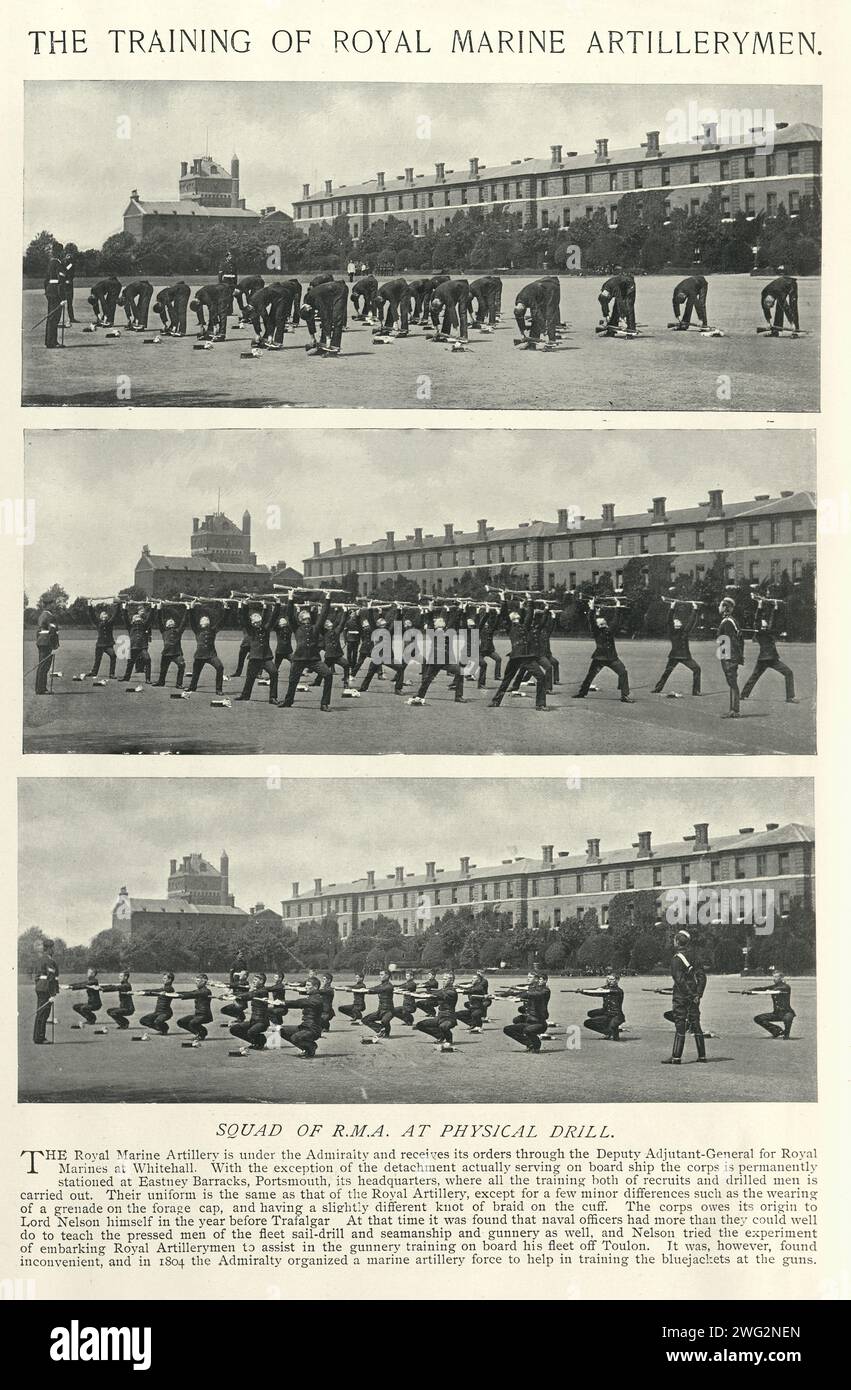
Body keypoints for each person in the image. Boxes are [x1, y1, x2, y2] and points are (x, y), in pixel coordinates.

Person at [488, 596, 550, 711]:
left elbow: (529, 616)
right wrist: (503, 599)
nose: (516, 615)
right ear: (511, 618)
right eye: (514, 615)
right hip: (516, 656)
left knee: (541, 677)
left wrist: (530, 601)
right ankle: (496, 701)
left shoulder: (524, 626)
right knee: (506, 680)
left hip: (526, 657)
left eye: (517, 614)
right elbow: (504, 614)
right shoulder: (509, 626)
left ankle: (540, 704)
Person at [277, 595, 335, 711]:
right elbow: (289, 614)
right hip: (299, 659)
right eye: (304, 619)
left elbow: (323, 615)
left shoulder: (315, 628)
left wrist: (328, 599)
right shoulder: (296, 628)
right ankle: (288, 701)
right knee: (293, 680)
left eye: (308, 619)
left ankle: (324, 704)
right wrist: (290, 598)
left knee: (328, 675)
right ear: (300, 620)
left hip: (314, 659)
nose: (307, 621)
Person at [573, 599, 634, 703]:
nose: (600, 620)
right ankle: (582, 693)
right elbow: (591, 620)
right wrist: (591, 608)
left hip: (611, 658)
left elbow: (616, 620)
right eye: (599, 620)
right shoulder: (596, 631)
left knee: (623, 672)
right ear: (601, 624)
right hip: (600, 658)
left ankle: (625, 696)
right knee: (590, 676)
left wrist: (618, 607)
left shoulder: (609, 630)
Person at [662, 931, 706, 1064]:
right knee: (695, 1023)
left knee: (680, 1024)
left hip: (681, 996)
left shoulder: (676, 959)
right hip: (694, 995)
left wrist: (690, 995)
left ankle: (676, 1057)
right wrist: (698, 994)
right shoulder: (695, 957)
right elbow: (702, 977)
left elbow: (679, 980)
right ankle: (702, 1056)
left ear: (676, 941)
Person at [741, 602, 798, 704]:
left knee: (755, 676)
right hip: (766, 659)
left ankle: (743, 695)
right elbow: (758, 620)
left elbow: (773, 621)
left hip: (767, 659)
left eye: (765, 622)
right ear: (762, 625)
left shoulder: (768, 631)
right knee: (787, 673)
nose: (765, 622)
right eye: (764, 622)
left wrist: (775, 608)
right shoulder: (760, 633)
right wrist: (759, 606)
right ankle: (790, 697)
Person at [233, 600, 280, 704]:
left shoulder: (266, 629)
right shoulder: (250, 630)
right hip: (254, 658)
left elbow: (273, 618)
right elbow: (244, 618)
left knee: (274, 673)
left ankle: (272, 697)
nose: (257, 624)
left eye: (259, 622)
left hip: (266, 658)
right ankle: (245, 695)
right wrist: (245, 604)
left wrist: (277, 604)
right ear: (252, 623)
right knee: (250, 678)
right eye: (255, 622)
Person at [653, 600, 702, 696]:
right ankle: (658, 688)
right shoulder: (672, 631)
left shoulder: (684, 631)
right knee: (667, 672)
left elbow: (691, 621)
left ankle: (696, 691)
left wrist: (695, 609)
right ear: (674, 625)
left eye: (678, 621)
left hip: (685, 656)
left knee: (697, 669)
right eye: (675, 621)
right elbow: (669, 620)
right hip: (675, 656)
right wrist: (672, 607)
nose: (677, 621)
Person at [187, 600, 230, 695]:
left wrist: (226, 609)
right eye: (203, 619)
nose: (205, 619)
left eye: (207, 619)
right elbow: (191, 619)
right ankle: (192, 687)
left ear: (209, 622)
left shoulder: (213, 630)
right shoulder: (197, 630)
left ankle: (219, 690)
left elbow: (222, 622)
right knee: (195, 674)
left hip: (211, 655)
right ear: (200, 622)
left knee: (220, 667)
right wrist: (191, 607)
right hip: (199, 655)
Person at [502, 973, 551, 1052]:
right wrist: (499, 995)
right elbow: (519, 993)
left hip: (539, 1023)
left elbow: (534, 994)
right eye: (538, 980)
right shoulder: (533, 989)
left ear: (545, 981)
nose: (539, 981)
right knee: (508, 1029)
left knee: (527, 1030)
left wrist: (520, 996)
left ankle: (536, 1045)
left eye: (540, 980)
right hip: (529, 1021)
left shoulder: (545, 991)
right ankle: (529, 1043)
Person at [278, 977, 325, 1058]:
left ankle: (311, 1047)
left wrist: (283, 1003)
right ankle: (306, 1048)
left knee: (294, 1038)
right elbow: (301, 1001)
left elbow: (299, 1003)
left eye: (308, 985)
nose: (306, 987)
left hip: (313, 1030)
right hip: (304, 1027)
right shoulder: (311, 996)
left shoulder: (317, 999)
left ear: (315, 987)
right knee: (281, 1030)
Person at [300, 280, 348, 355]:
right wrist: (313, 338)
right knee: (325, 320)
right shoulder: (306, 301)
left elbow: (325, 317)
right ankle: (323, 344)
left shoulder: (316, 299)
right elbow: (309, 320)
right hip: (328, 293)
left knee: (336, 319)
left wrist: (328, 339)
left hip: (339, 290)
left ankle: (334, 346)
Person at [744, 973, 796, 1039]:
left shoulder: (786, 987)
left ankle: (786, 1034)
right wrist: (749, 991)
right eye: (773, 977)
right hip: (776, 1013)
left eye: (776, 977)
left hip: (787, 1013)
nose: (774, 978)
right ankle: (776, 1031)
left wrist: (769, 990)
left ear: (781, 978)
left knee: (787, 1018)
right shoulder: (774, 987)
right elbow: (762, 989)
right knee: (758, 1018)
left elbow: (774, 990)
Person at [413, 973, 459, 1048]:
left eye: (446, 979)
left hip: (449, 1018)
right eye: (443, 979)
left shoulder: (452, 992)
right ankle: (440, 1036)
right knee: (420, 1025)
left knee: (443, 1026)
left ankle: (449, 1040)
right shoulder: (443, 990)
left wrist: (422, 995)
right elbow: (433, 994)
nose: (443, 981)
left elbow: (438, 994)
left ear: (451, 981)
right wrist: (416, 993)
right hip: (440, 1017)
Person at [230, 974, 273, 1051]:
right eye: (253, 979)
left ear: (262, 981)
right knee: (234, 1029)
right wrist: (232, 994)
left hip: (262, 1022)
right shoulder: (256, 990)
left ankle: (261, 1040)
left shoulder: (263, 991)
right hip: (253, 1021)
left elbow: (250, 995)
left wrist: (236, 997)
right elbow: (248, 994)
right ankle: (256, 1041)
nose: (253, 981)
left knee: (251, 1032)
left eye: (256, 980)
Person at [717, 596, 744, 718]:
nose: (719, 607)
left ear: (725, 608)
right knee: (732, 682)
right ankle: (733, 709)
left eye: (720, 605)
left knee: (732, 683)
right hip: (731, 656)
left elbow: (732, 641)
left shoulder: (728, 622)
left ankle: (734, 710)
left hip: (729, 657)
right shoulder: (729, 620)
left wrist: (729, 658)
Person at [514, 276, 561, 346]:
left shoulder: (528, 298)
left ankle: (551, 339)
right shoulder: (518, 301)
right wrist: (522, 332)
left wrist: (544, 331)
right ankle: (532, 342)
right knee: (537, 316)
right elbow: (519, 318)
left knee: (549, 314)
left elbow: (536, 313)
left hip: (551, 288)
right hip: (540, 291)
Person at [577, 975, 625, 1040]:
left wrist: (583, 991)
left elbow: (604, 991)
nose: (610, 981)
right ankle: (607, 1032)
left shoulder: (618, 991)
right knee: (588, 1020)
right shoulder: (605, 988)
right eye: (609, 979)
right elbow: (595, 991)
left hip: (616, 1015)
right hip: (606, 1013)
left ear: (617, 980)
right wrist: (582, 991)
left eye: (612, 979)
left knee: (614, 1028)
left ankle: (614, 1032)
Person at [154, 602, 189, 689]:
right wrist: (159, 609)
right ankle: (161, 682)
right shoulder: (164, 631)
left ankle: (179, 684)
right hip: (166, 653)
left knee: (182, 665)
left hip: (177, 653)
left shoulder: (178, 631)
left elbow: (184, 622)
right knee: (163, 670)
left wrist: (188, 609)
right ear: (166, 625)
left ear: (174, 624)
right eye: (168, 622)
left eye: (172, 621)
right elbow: (159, 620)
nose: (170, 622)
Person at [32, 940, 59, 1043]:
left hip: (40, 987)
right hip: (46, 989)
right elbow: (51, 977)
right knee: (43, 1014)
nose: (54, 950)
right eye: (53, 948)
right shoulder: (49, 961)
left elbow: (37, 977)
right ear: (50, 948)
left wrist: (39, 985)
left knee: (41, 1013)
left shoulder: (40, 959)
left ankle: (38, 1037)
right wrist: (52, 994)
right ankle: (39, 1038)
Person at [120, 603, 153, 684]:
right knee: (130, 663)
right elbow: (125, 618)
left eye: (138, 617)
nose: (137, 618)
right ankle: (126, 677)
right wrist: (124, 608)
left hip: (142, 647)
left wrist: (152, 607)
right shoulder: (130, 626)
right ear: (133, 620)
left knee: (147, 660)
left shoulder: (144, 625)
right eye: (135, 617)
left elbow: (150, 618)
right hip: (133, 647)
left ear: (141, 619)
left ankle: (148, 679)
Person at [175, 974, 214, 1043]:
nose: (196, 982)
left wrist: (178, 995)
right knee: (181, 1022)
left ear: (204, 982)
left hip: (204, 1015)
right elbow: (190, 993)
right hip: (197, 1015)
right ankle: (201, 1031)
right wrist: (173, 994)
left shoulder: (206, 991)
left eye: (198, 981)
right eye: (196, 981)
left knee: (192, 1023)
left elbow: (193, 994)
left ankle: (200, 1034)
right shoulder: (198, 990)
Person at [86, 599, 120, 678]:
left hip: (108, 645)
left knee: (113, 656)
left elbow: (116, 614)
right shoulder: (98, 623)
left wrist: (118, 605)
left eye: (105, 615)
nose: (104, 616)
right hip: (100, 645)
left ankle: (111, 674)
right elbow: (92, 615)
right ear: (101, 617)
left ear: (107, 617)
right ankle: (94, 672)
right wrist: (89, 605)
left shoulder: (110, 623)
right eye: (103, 615)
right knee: (97, 659)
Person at [361, 972, 397, 1040]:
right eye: (380, 974)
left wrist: (367, 991)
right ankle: (381, 1029)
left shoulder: (389, 986)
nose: (380, 976)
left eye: (382, 975)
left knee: (384, 1021)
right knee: (365, 1020)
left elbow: (377, 990)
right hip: (380, 1010)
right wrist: (365, 989)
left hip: (389, 1011)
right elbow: (375, 988)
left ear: (387, 976)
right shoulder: (382, 985)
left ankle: (386, 1033)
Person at [43, 243, 66, 348]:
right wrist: (63, 298)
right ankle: (52, 342)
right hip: (56, 292)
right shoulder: (59, 264)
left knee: (51, 317)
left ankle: (49, 341)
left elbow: (45, 280)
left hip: (50, 291)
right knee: (55, 318)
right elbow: (61, 282)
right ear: (60, 252)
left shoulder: (50, 263)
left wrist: (47, 292)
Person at [34, 607, 59, 694]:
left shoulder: (41, 615)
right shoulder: (50, 617)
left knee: (42, 666)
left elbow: (38, 632)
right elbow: (52, 632)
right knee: (44, 666)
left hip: (41, 642)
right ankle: (41, 689)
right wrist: (54, 646)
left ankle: (40, 688)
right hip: (47, 643)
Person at [61, 245, 78, 324]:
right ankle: (70, 318)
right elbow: (64, 271)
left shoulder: (71, 263)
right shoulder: (65, 262)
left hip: (69, 284)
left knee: (69, 302)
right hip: (66, 284)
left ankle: (71, 318)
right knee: (65, 301)